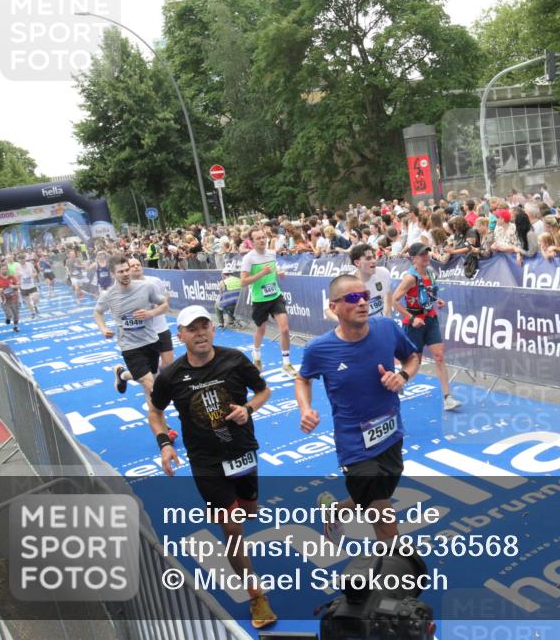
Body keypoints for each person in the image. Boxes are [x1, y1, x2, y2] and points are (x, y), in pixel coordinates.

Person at [149, 305, 277, 630]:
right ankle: (255, 594)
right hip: (206, 463)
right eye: (192, 328)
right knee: (233, 529)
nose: (200, 332)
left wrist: (248, 409)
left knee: (248, 511)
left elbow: (264, 390)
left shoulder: (234, 358)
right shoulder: (170, 376)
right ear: (180, 335)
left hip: (243, 452)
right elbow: (155, 412)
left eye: (205, 325)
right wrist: (165, 444)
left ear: (213, 329)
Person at [296, 274, 421, 543]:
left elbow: (412, 357)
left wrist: (402, 376)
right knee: (385, 521)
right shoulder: (319, 349)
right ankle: (395, 577)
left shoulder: (387, 328)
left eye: (365, 296)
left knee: (377, 496)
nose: (363, 302)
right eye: (353, 298)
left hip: (391, 434)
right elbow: (303, 378)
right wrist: (305, 408)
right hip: (354, 446)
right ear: (334, 307)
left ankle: (335, 510)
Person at [392, 243, 461, 411]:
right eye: (422, 254)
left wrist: (437, 301)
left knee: (439, 356)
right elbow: (393, 300)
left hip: (430, 320)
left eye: (427, 253)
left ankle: (447, 398)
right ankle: (396, 382)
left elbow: (428, 294)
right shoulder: (410, 278)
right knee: (414, 362)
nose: (426, 256)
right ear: (413, 258)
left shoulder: (430, 273)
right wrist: (412, 317)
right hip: (414, 323)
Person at [94, 255, 169, 407]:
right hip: (130, 346)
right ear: (113, 274)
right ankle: (162, 423)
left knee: (151, 381)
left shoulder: (145, 287)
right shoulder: (108, 295)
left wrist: (150, 313)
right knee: (149, 382)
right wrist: (103, 328)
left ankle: (122, 374)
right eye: (120, 272)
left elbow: (164, 305)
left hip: (150, 340)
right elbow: (97, 312)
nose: (125, 274)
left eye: (127, 270)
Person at [240, 228, 294, 376]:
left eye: (263, 237)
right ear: (252, 242)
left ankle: (286, 363)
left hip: (275, 296)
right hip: (260, 299)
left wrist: (279, 272)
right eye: (258, 238)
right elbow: (243, 282)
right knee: (261, 330)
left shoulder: (271, 253)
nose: (262, 240)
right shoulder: (249, 258)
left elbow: (274, 268)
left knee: (284, 329)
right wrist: (261, 273)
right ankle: (256, 356)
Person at [128, 257, 174, 369]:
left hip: (161, 328)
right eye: (132, 266)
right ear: (127, 270)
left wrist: (158, 307)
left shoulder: (154, 280)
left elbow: (166, 295)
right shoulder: (126, 287)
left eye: (138, 264)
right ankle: (122, 374)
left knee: (169, 363)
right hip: (143, 332)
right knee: (149, 369)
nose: (136, 267)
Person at [326, 244, 392, 321]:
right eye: (368, 259)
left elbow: (388, 294)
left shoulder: (384, 273)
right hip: (359, 330)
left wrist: (386, 316)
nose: (374, 261)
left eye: (374, 257)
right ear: (357, 263)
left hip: (381, 326)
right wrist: (348, 322)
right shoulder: (346, 282)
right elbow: (328, 310)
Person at [0, 264, 20, 332]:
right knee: (9, 314)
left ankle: (15, 326)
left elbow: (18, 285)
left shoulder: (12, 277)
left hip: (14, 299)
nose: (5, 270)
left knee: (16, 315)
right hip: (4, 300)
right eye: (3, 269)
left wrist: (13, 286)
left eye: (6, 269)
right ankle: (8, 318)